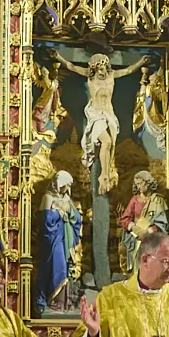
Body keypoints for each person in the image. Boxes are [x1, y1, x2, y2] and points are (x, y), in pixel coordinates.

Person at [55, 50, 149, 193]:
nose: (101, 72)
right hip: (96, 115)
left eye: (103, 69)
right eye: (98, 69)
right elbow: (71, 66)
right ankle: (103, 176)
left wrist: (141, 62)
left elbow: (128, 70)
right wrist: (58, 57)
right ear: (93, 70)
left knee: (112, 146)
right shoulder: (90, 77)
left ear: (107, 67)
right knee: (107, 142)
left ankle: (107, 171)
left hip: (110, 114)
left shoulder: (111, 75)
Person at [35, 170, 82, 315]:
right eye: (63, 186)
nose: (65, 190)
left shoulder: (67, 198)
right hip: (53, 240)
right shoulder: (48, 197)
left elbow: (77, 219)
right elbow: (44, 221)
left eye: (67, 187)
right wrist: (58, 213)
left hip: (64, 238)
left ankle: (63, 303)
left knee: (65, 267)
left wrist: (69, 212)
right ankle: (54, 301)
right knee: (57, 267)